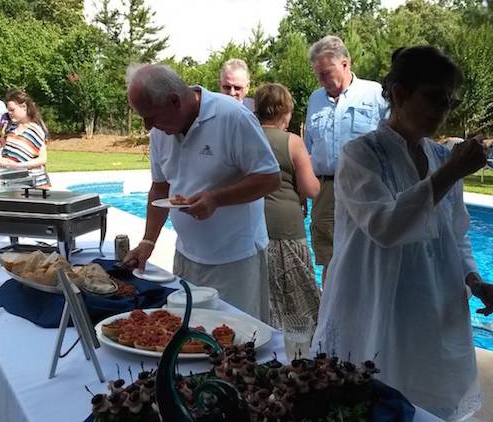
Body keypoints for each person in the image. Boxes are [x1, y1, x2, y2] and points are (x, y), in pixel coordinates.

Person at [311, 46, 493, 420]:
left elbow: (455, 232)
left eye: (447, 101)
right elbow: (386, 226)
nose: (441, 110)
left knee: (428, 403)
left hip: (429, 305)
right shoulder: (361, 155)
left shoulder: (443, 157)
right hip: (376, 301)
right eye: (433, 98)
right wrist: (449, 175)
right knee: (370, 400)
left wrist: (473, 278)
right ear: (399, 94)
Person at [123, 64, 281, 321]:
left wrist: (216, 199)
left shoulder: (233, 117)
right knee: (188, 333)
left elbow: (270, 178)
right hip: (186, 255)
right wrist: (148, 242)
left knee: (235, 339)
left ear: (174, 101)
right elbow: (160, 187)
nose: (146, 126)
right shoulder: (160, 132)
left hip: (235, 259)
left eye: (150, 116)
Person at [304, 35, 389, 285]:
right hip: (326, 189)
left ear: (345, 63)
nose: (322, 80)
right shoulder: (315, 99)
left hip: (367, 188)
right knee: (330, 258)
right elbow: (310, 146)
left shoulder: (375, 94)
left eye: (326, 73)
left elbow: (393, 142)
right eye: (317, 74)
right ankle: (331, 314)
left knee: (368, 251)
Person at [253, 83, 321, 330]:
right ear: (287, 111)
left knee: (264, 297)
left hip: (253, 229)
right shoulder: (292, 142)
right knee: (299, 299)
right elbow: (310, 189)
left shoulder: (246, 137)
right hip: (287, 228)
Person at [0, 89, 49, 187]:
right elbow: (5, 149)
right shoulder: (10, 128)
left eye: (12, 110)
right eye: (8, 110)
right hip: (13, 180)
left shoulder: (35, 130)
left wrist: (16, 166)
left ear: (24, 107)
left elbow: (42, 159)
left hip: (34, 183)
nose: (9, 113)